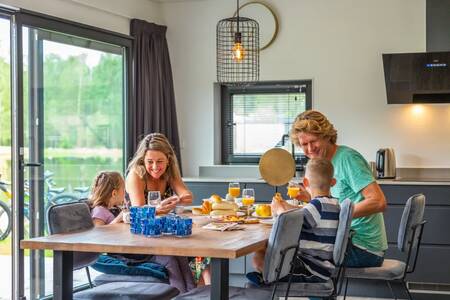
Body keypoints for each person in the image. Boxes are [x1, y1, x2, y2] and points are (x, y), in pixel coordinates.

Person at [290, 110, 388, 267]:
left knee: (296, 254)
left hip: (363, 247)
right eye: (304, 144)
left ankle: (310, 288)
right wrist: (309, 199)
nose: (310, 149)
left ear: (327, 136)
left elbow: (378, 202)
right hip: (346, 240)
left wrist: (333, 215)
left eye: (313, 141)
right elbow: (335, 203)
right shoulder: (323, 164)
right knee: (293, 251)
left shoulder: (348, 159)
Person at [89, 171, 195, 293]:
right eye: (124, 190)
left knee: (179, 256)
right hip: (126, 254)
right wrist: (119, 219)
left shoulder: (114, 209)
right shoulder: (99, 211)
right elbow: (97, 235)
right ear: (114, 193)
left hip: (135, 248)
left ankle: (191, 292)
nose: (126, 194)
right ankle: (179, 294)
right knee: (169, 259)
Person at [247, 158, 340, 285]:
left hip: (310, 269)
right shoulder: (333, 204)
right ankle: (266, 277)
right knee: (265, 252)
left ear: (305, 182)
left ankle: (268, 278)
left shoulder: (317, 205)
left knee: (259, 257)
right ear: (333, 182)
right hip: (322, 266)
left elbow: (289, 225)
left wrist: (279, 210)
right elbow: (304, 213)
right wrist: (285, 205)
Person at [126, 133, 193, 214]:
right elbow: (139, 211)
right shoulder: (136, 175)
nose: (155, 167)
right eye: (150, 161)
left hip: (161, 224)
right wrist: (156, 210)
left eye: (159, 161)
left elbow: (184, 194)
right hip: (134, 225)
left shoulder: (169, 172)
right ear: (143, 160)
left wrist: (185, 197)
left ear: (168, 159)